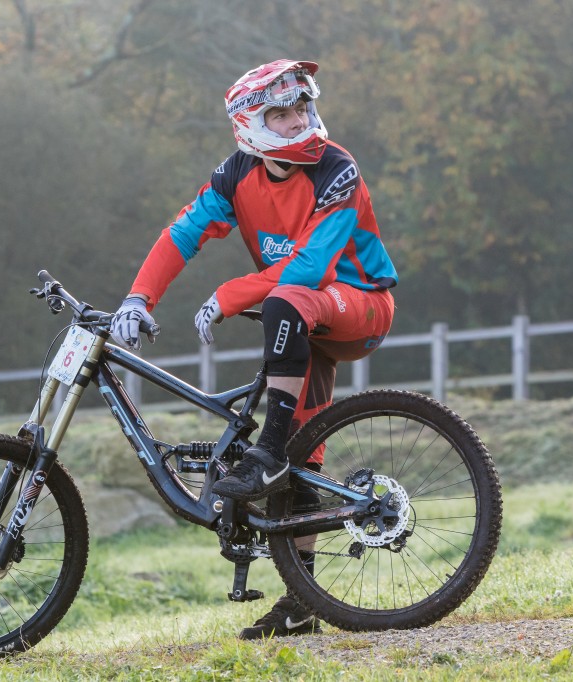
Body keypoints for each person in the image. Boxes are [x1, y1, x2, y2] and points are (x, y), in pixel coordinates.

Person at [109, 59, 398, 639]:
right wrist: (139, 298)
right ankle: (301, 602)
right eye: (282, 113)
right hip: (300, 312)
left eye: (303, 107)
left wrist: (229, 293)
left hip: (359, 306)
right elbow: (183, 232)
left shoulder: (336, 168)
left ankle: (266, 454)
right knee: (303, 453)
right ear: (251, 125)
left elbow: (312, 268)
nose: (299, 120)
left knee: (286, 300)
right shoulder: (236, 174)